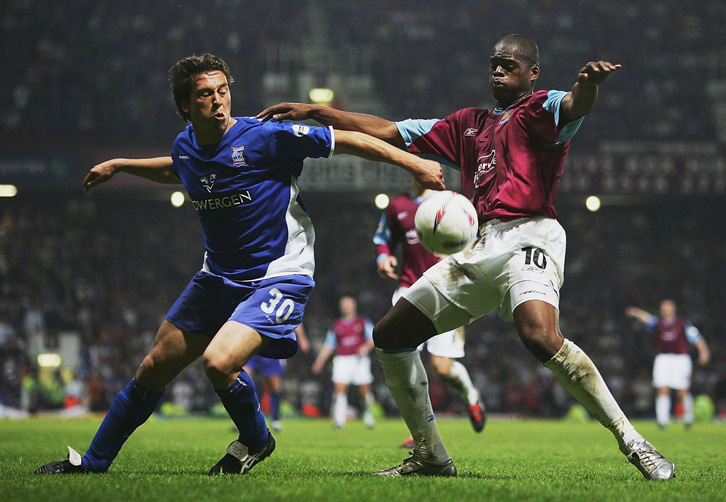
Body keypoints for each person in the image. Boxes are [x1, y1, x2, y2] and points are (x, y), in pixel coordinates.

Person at [258, 34, 676, 480]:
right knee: (390, 335)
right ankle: (430, 455)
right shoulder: (466, 124)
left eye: (509, 65)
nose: (498, 70)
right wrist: (317, 112)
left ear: (532, 73)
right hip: (480, 245)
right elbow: (389, 130)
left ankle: (634, 442)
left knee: (539, 335)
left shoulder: (542, 109)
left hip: (531, 234)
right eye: (494, 64)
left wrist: (589, 84)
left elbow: (575, 105)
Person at [34, 53, 443, 476]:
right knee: (154, 366)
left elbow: (346, 139)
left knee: (218, 362)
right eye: (206, 94)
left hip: (279, 273)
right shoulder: (186, 146)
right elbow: (180, 170)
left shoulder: (265, 136)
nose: (218, 101)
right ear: (186, 107)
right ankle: (93, 462)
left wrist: (414, 163)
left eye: (223, 91)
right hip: (217, 276)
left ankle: (255, 439)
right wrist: (121, 166)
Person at [374, 176, 485, 449]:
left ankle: (471, 394)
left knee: (441, 367)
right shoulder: (397, 205)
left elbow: (477, 239)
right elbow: (382, 237)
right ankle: (422, 429)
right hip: (407, 290)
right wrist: (383, 256)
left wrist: (457, 254)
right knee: (405, 362)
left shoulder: (452, 202)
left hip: (445, 287)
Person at [626, 300, 710, 429]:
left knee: (682, 390)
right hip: (663, 358)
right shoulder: (658, 324)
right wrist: (636, 313)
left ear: (673, 309)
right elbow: (647, 318)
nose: (664, 309)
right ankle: (662, 420)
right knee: (662, 388)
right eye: (663, 307)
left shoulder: (682, 324)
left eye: (667, 307)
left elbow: (696, 337)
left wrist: (703, 351)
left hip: (680, 358)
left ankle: (688, 418)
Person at [311, 295, 377, 428]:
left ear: (354, 306)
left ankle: (368, 415)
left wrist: (366, 347)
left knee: (364, 390)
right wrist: (319, 362)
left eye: (349, 304)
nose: (346, 307)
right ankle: (339, 420)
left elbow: (374, 338)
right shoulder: (337, 325)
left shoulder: (363, 322)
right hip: (342, 358)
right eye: (344, 304)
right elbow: (329, 345)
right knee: (340, 389)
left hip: (360, 359)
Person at [243, 325, 310, 433]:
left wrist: (301, 338)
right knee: (244, 380)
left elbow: (295, 317)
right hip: (254, 341)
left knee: (274, 386)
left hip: (272, 343)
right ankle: (243, 420)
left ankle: (275, 419)